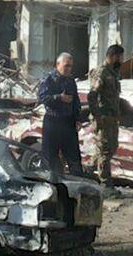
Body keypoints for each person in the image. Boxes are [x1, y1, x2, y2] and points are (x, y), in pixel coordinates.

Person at [37, 52, 83, 176]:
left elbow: (76, 101)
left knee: (74, 157)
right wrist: (59, 98)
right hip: (53, 121)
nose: (68, 69)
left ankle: (78, 188)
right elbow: (42, 98)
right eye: (66, 66)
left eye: (70, 66)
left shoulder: (70, 80)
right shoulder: (49, 79)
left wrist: (78, 118)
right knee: (50, 158)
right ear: (58, 64)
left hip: (68, 122)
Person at [90, 44, 123, 190]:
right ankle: (105, 185)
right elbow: (92, 96)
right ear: (114, 56)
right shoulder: (101, 73)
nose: (122, 60)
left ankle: (89, 171)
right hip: (103, 118)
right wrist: (97, 117)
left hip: (112, 118)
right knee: (105, 150)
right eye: (120, 56)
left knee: (111, 148)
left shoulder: (114, 72)